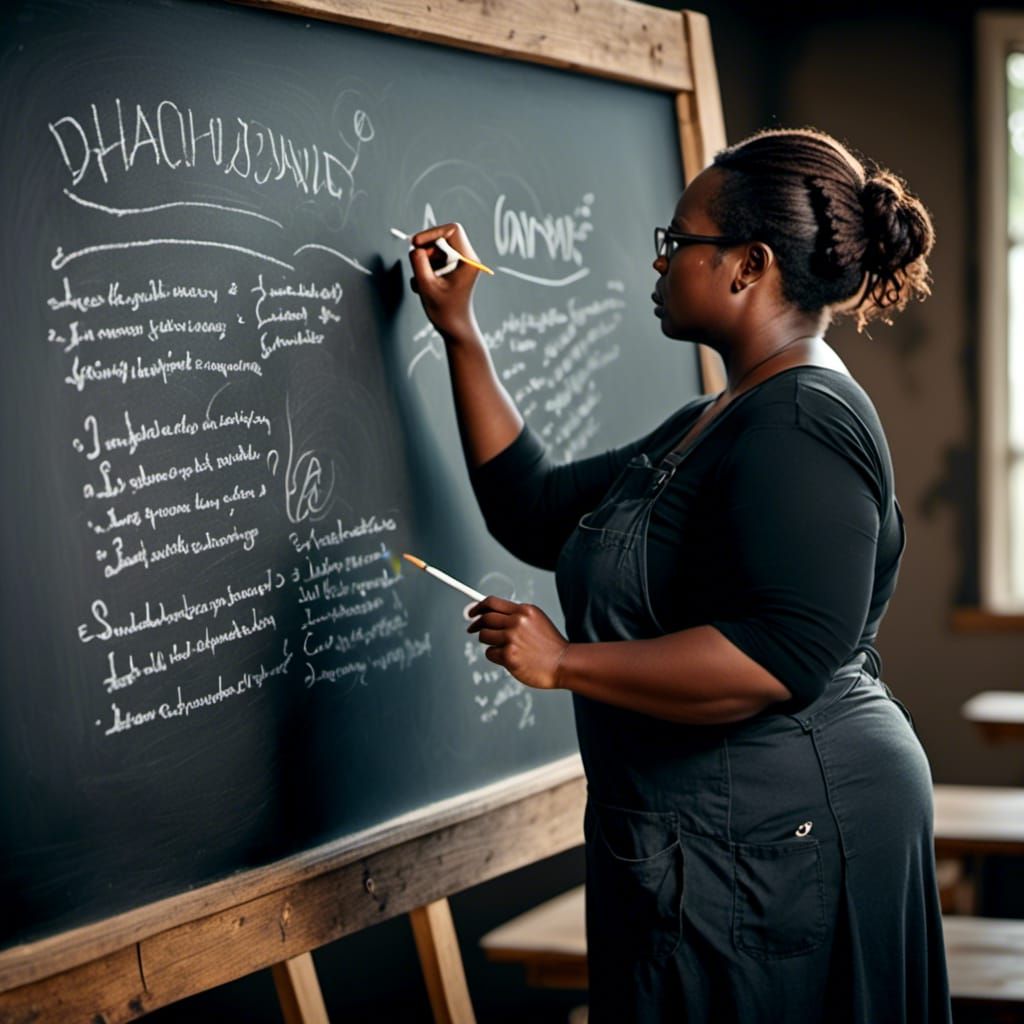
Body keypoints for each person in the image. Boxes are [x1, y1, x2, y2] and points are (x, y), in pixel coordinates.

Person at [408, 127, 950, 1023]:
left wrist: (566, 662)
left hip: (782, 842)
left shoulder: (802, 421)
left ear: (748, 265)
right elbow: (538, 510)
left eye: (676, 244)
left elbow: (779, 655)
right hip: (723, 839)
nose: (657, 264)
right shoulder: (719, 414)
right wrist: (461, 334)